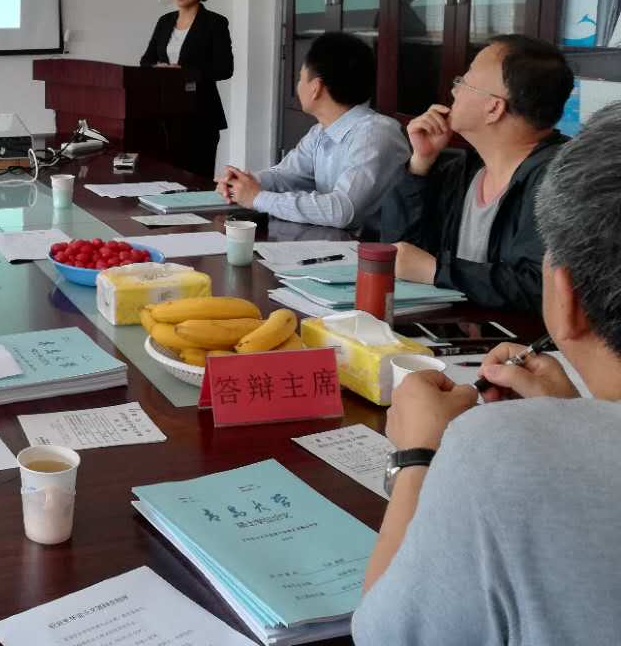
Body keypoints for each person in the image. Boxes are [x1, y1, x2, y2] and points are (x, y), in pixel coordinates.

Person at [352, 101, 621, 646]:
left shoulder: (502, 451)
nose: (452, 94)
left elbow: (384, 636)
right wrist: (572, 417)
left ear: (565, 294)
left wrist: (417, 456)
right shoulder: (458, 168)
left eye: (465, 79)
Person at [380, 34, 573, 311]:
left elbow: (541, 288)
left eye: (464, 81)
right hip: (448, 327)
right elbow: (400, 254)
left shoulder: (563, 180)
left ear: (494, 108)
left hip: (511, 337)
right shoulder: (464, 171)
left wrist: (436, 271)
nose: (454, 91)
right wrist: (420, 165)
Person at [217, 32, 407, 231]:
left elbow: (342, 210)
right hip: (334, 242)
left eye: (300, 78)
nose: (298, 86)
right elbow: (287, 175)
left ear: (316, 88)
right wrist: (244, 183)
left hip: (375, 247)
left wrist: (257, 198)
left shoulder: (375, 135)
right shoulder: (320, 132)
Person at [139, 0, 233, 178]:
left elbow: (224, 68)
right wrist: (158, 68)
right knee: (164, 178)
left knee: (196, 179)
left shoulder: (215, 23)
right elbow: (146, 61)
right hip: (163, 113)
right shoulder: (164, 21)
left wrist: (185, 73)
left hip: (201, 114)